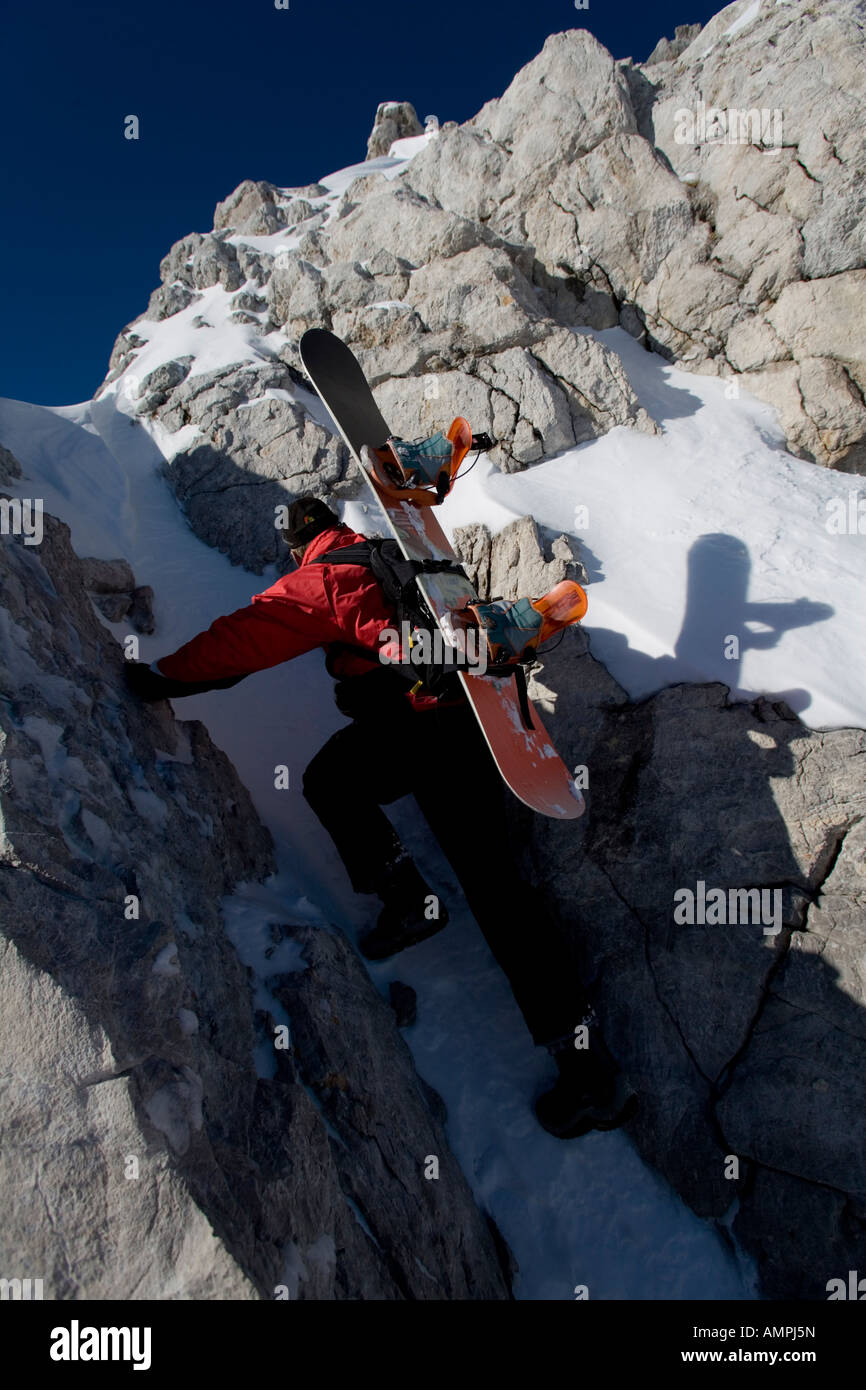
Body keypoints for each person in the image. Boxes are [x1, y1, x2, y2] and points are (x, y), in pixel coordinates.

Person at [125, 496, 636, 1138]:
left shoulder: (326, 575)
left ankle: (406, 897)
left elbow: (249, 635)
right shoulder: (397, 554)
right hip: (472, 724)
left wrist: (162, 677)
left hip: (412, 727)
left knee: (329, 782)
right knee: (500, 891)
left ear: (297, 543)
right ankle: (592, 1073)